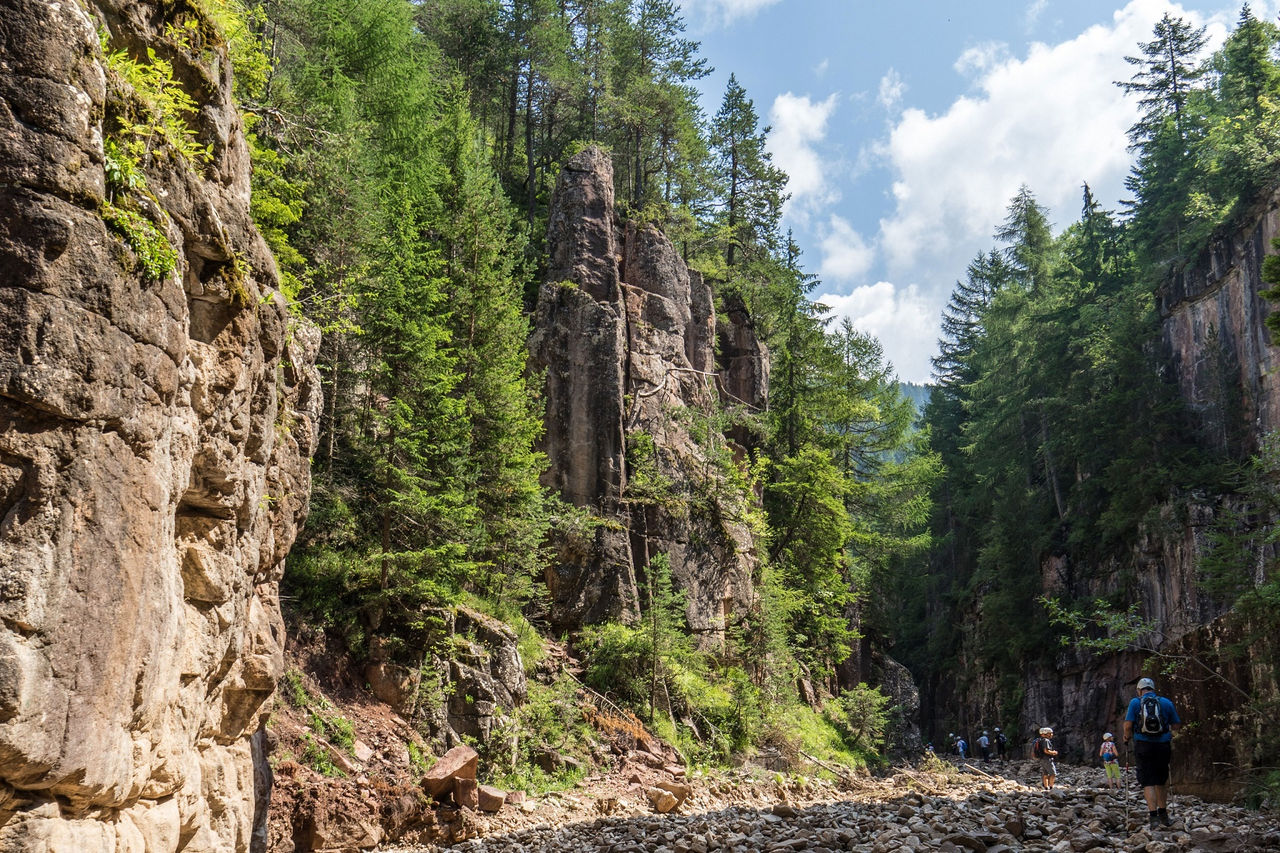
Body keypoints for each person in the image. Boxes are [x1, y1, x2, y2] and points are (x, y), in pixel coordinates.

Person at [1124, 676, 1181, 829]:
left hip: (1143, 745)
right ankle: (1164, 813)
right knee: (1161, 780)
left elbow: (1128, 725)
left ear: (1139, 691)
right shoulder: (1166, 702)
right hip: (1162, 745)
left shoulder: (1135, 702)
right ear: (1153, 689)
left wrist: (1126, 738)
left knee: (1148, 781)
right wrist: (1169, 735)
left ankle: (1153, 817)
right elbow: (1176, 724)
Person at [1033, 726, 1058, 790]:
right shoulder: (1046, 740)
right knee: (1053, 773)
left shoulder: (1039, 740)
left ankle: (1046, 787)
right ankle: (1051, 787)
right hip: (1047, 759)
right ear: (1046, 734)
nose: (1051, 734)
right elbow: (1046, 751)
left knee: (1045, 773)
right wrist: (1054, 752)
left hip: (1042, 759)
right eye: (1050, 733)